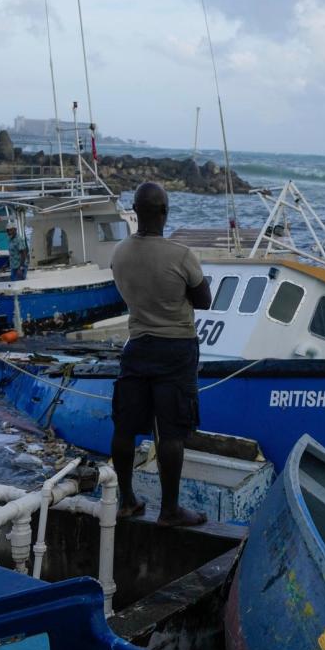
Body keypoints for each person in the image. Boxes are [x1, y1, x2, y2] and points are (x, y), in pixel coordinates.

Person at [109, 182, 212, 526]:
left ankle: (127, 500)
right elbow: (204, 301)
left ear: (135, 211)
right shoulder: (181, 255)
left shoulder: (120, 253)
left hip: (137, 345)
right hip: (176, 347)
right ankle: (169, 510)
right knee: (171, 433)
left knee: (125, 428)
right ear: (165, 212)